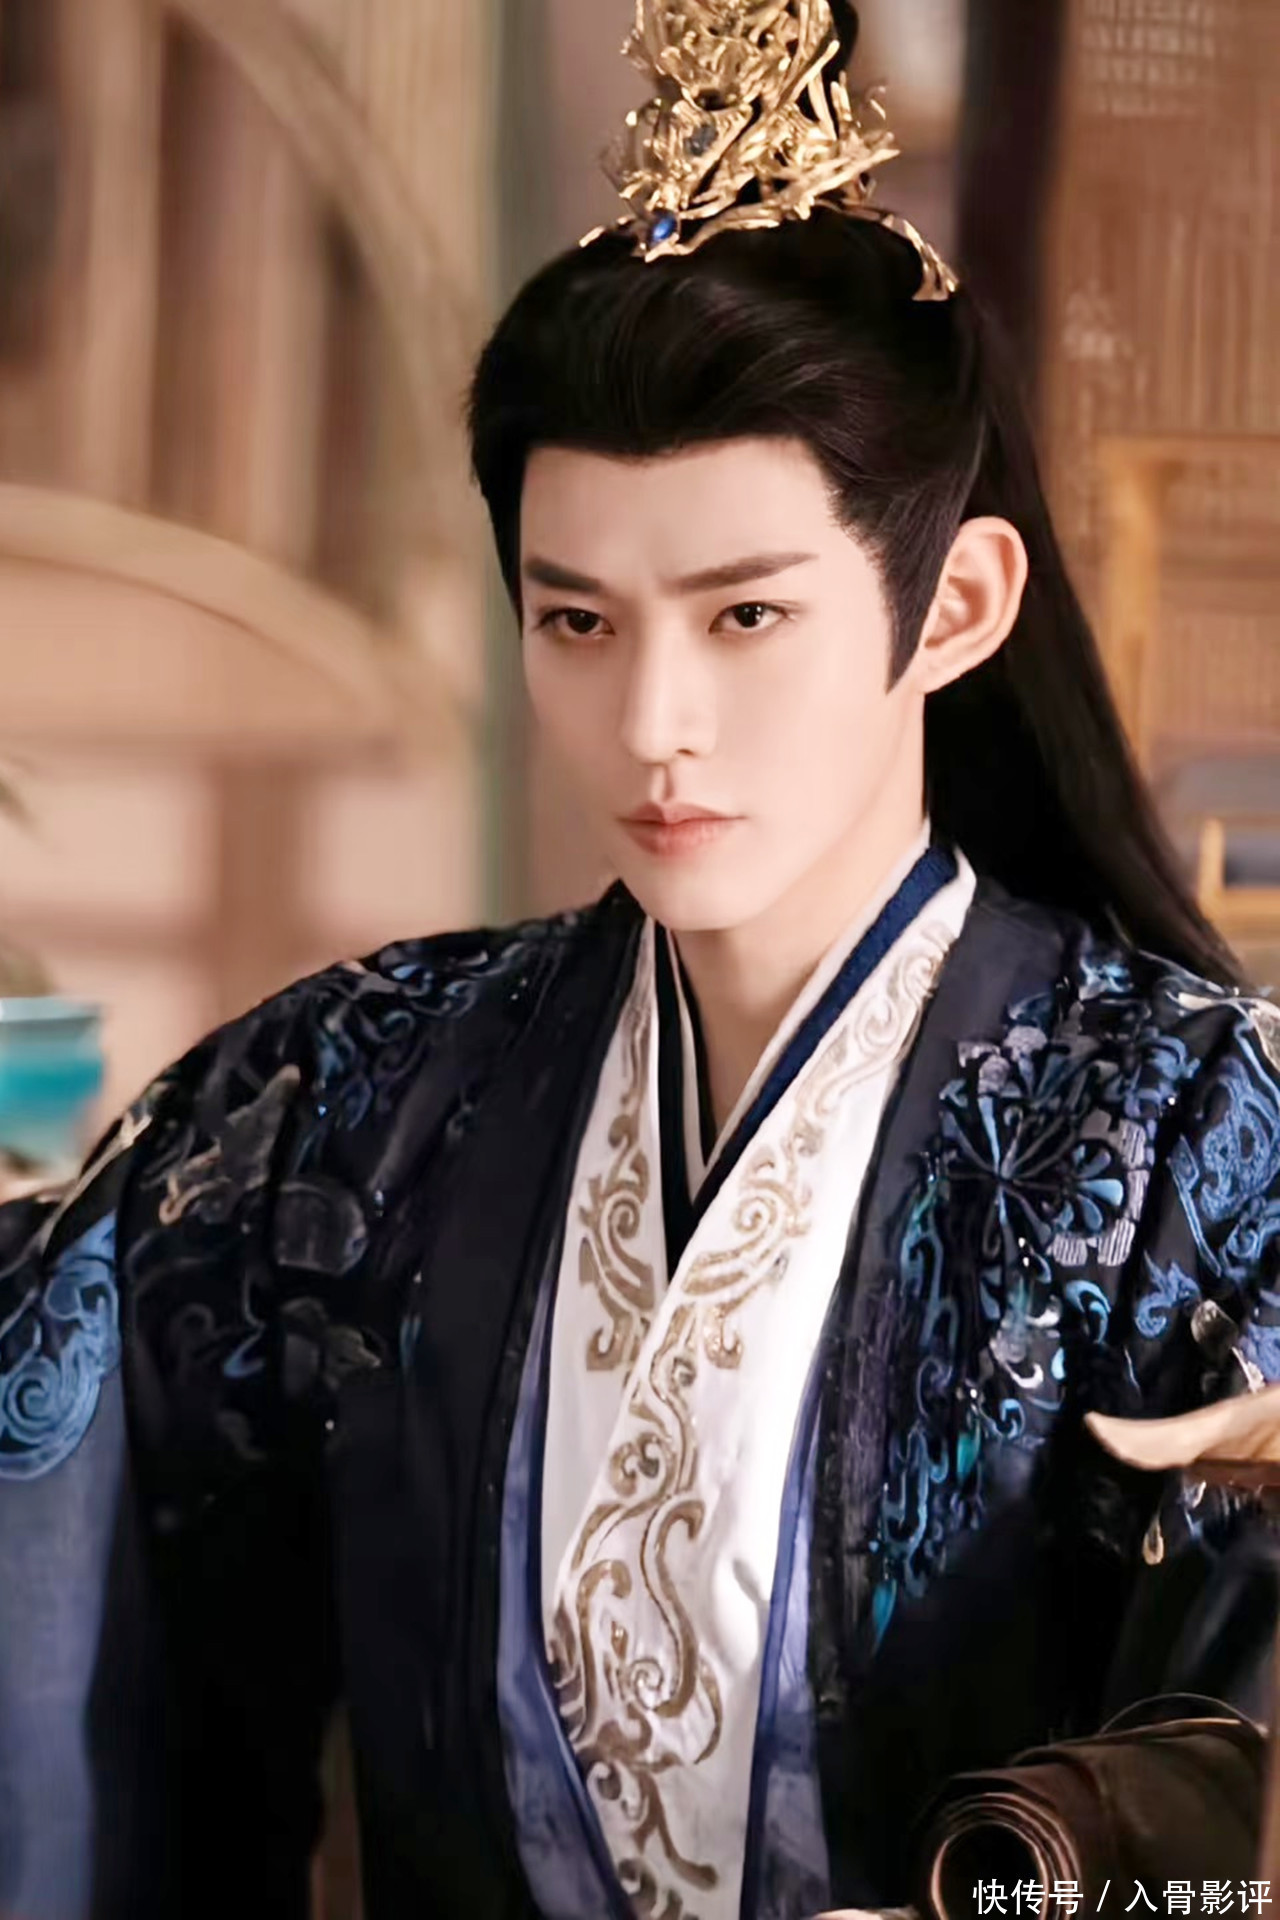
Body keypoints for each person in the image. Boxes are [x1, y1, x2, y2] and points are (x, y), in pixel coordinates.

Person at [1, 4, 1278, 1917]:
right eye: (577, 621)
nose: (652, 724)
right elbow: (54, 1421)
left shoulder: (1188, 1130)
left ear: (955, 605)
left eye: (744, 616)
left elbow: (1241, 1785)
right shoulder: (362, 1093)